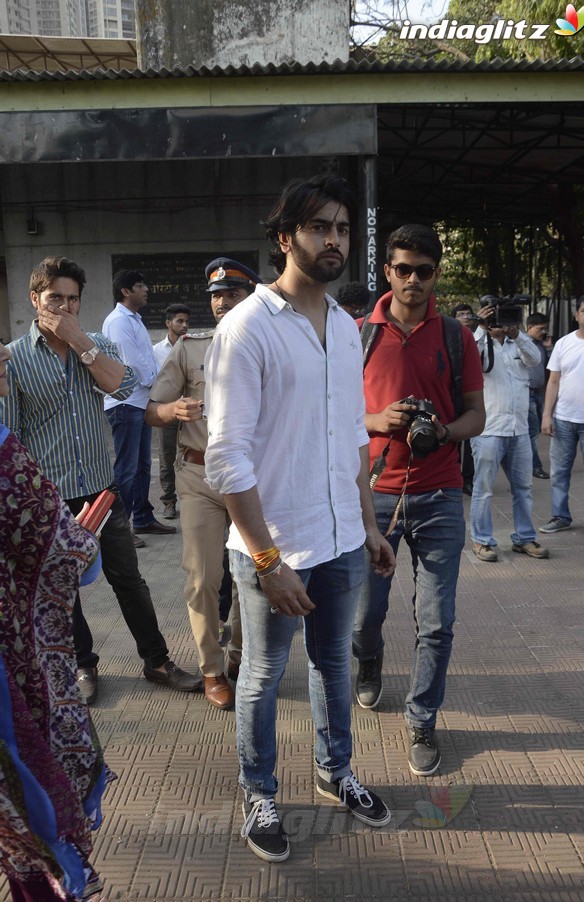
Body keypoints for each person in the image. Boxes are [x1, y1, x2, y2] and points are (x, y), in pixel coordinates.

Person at [204, 175, 396, 863]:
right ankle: (259, 793)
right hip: (273, 548)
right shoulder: (246, 328)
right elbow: (227, 461)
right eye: (320, 228)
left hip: (344, 537)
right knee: (260, 675)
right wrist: (266, 560)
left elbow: (351, 435)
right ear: (286, 237)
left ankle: (335, 772)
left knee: (333, 666)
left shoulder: (346, 329)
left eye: (343, 228)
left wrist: (369, 524)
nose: (334, 239)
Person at [0, 257, 201, 706]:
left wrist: (79, 343)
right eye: (56, 298)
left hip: (102, 491)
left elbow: (123, 386)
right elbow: (12, 437)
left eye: (73, 299)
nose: (66, 307)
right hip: (51, 499)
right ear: (35, 300)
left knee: (128, 579)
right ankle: (83, 665)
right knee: (65, 589)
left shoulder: (95, 343)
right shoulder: (15, 359)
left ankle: (157, 660)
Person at [352, 225, 485, 778]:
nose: (412, 280)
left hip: (439, 494)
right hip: (374, 498)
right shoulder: (357, 333)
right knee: (364, 615)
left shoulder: (456, 336)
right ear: (388, 271)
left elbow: (476, 415)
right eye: (403, 269)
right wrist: (376, 422)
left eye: (424, 271)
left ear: (436, 275)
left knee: (436, 621)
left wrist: (446, 433)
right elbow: (329, 416)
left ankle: (422, 718)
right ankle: (370, 661)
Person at [0, 339, 111, 902]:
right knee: (28, 821)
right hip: (9, 675)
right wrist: (82, 541)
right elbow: (70, 556)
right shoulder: (4, 457)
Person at [146, 258, 261, 710]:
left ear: (249, 296)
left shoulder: (270, 343)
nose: (221, 301)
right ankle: (212, 669)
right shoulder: (190, 348)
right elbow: (152, 410)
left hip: (254, 477)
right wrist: (172, 412)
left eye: (231, 293)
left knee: (252, 574)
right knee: (202, 578)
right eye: (215, 294)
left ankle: (238, 657)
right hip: (200, 476)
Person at [470, 302, 549, 562]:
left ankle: (524, 538)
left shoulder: (519, 343)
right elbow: (469, 358)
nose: (500, 323)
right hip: (489, 428)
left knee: (523, 488)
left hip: (520, 430)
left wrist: (516, 333)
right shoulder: (479, 342)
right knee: (483, 488)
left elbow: (536, 360)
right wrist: (480, 328)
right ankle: (482, 541)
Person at [102, 270, 175, 540]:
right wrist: (157, 383)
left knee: (143, 465)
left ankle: (143, 519)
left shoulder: (134, 320)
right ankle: (121, 529)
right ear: (125, 291)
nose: (147, 289)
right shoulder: (118, 321)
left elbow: (150, 359)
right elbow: (132, 362)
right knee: (126, 469)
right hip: (125, 404)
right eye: (141, 285)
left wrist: (159, 386)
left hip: (141, 402)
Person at [539, 293, 584, 544]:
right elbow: (553, 381)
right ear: (576, 314)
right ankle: (560, 517)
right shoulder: (563, 344)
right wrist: (546, 415)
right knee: (559, 472)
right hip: (563, 419)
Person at [152, 303, 190, 519]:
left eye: (187, 321)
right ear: (168, 324)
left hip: (191, 413)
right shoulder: (157, 351)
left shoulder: (193, 346)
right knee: (166, 457)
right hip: (166, 412)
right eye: (179, 321)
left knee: (191, 457)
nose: (184, 325)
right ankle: (168, 501)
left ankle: (192, 500)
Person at [450, 303, 479, 494]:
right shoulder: (449, 337)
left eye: (469, 314)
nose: (466, 317)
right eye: (461, 314)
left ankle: (468, 479)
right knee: (453, 439)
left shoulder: (480, 337)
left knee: (470, 442)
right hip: (452, 396)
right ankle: (455, 478)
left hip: (472, 396)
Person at [525, 312, 552, 479]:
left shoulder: (540, 344)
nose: (543, 332)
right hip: (526, 392)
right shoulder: (521, 344)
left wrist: (548, 349)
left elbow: (550, 366)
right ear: (529, 327)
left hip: (537, 393)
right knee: (532, 431)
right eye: (540, 329)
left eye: (545, 329)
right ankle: (535, 466)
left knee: (532, 431)